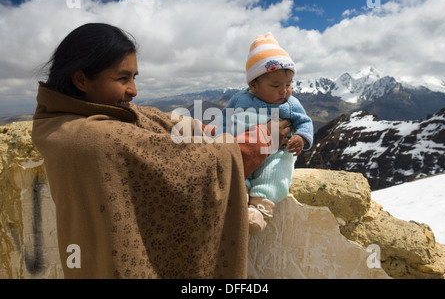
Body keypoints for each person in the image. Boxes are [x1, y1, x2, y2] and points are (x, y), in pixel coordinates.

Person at [31, 23, 292, 279]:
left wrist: (203, 130)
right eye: (123, 78)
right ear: (81, 79)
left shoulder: (59, 123)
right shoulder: (96, 138)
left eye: (134, 77)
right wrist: (262, 140)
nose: (133, 90)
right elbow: (190, 172)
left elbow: (155, 119)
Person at [221, 33, 314, 235]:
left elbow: (304, 122)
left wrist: (301, 137)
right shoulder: (239, 100)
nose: (284, 91)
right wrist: (220, 139)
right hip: (242, 149)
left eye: (288, 84)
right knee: (235, 170)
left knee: (277, 172)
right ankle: (239, 199)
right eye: (276, 85)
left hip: (276, 153)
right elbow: (224, 120)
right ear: (253, 85)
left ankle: (260, 209)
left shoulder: (291, 104)